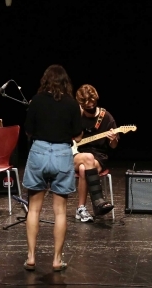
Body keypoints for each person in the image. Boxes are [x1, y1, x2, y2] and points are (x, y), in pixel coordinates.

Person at [23, 65, 82, 272]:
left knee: (34, 209)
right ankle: (57, 260)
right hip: (62, 154)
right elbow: (78, 136)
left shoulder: (37, 100)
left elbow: (28, 130)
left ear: (45, 81)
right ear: (65, 82)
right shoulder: (72, 103)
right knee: (60, 212)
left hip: (39, 152)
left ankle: (31, 257)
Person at [72, 84, 117, 222]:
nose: (90, 108)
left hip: (98, 157)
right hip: (76, 154)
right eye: (86, 107)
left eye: (92, 105)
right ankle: (98, 201)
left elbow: (114, 146)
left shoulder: (106, 117)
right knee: (85, 159)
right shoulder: (75, 116)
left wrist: (113, 139)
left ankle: (81, 209)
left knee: (83, 168)